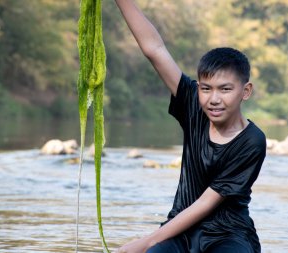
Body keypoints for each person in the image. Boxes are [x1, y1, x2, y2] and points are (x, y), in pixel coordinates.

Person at [114, 1, 266, 253]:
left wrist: (144, 242)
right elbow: (155, 49)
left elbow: (207, 202)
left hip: (228, 235)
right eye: (206, 89)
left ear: (245, 91)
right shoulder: (194, 106)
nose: (214, 99)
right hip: (180, 231)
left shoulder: (252, 141)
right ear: (198, 89)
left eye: (225, 89)